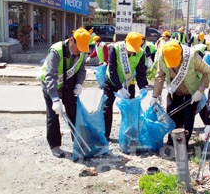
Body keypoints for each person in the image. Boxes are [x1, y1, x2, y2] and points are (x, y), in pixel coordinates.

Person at [39, 27, 91, 158]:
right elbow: (50, 75)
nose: (79, 51)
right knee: (53, 115)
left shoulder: (82, 51)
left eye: (82, 49)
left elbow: (82, 69)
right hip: (51, 85)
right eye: (78, 47)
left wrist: (79, 83)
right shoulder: (56, 51)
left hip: (69, 83)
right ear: (72, 40)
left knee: (73, 112)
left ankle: (77, 143)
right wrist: (55, 99)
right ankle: (55, 145)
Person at [149, 41, 210, 147]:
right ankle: (171, 142)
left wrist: (200, 91)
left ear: (181, 54)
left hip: (191, 93)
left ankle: (183, 144)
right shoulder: (161, 57)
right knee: (171, 117)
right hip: (174, 92)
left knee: (187, 119)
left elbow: (207, 72)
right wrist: (155, 95)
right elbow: (160, 76)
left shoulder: (192, 56)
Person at [103, 32, 147, 141]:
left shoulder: (140, 53)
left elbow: (141, 72)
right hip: (111, 81)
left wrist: (142, 87)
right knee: (107, 108)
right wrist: (119, 88)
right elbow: (112, 70)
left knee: (130, 109)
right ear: (125, 42)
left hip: (128, 82)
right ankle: (105, 135)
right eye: (130, 48)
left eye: (134, 49)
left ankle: (128, 135)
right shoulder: (115, 48)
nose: (131, 51)